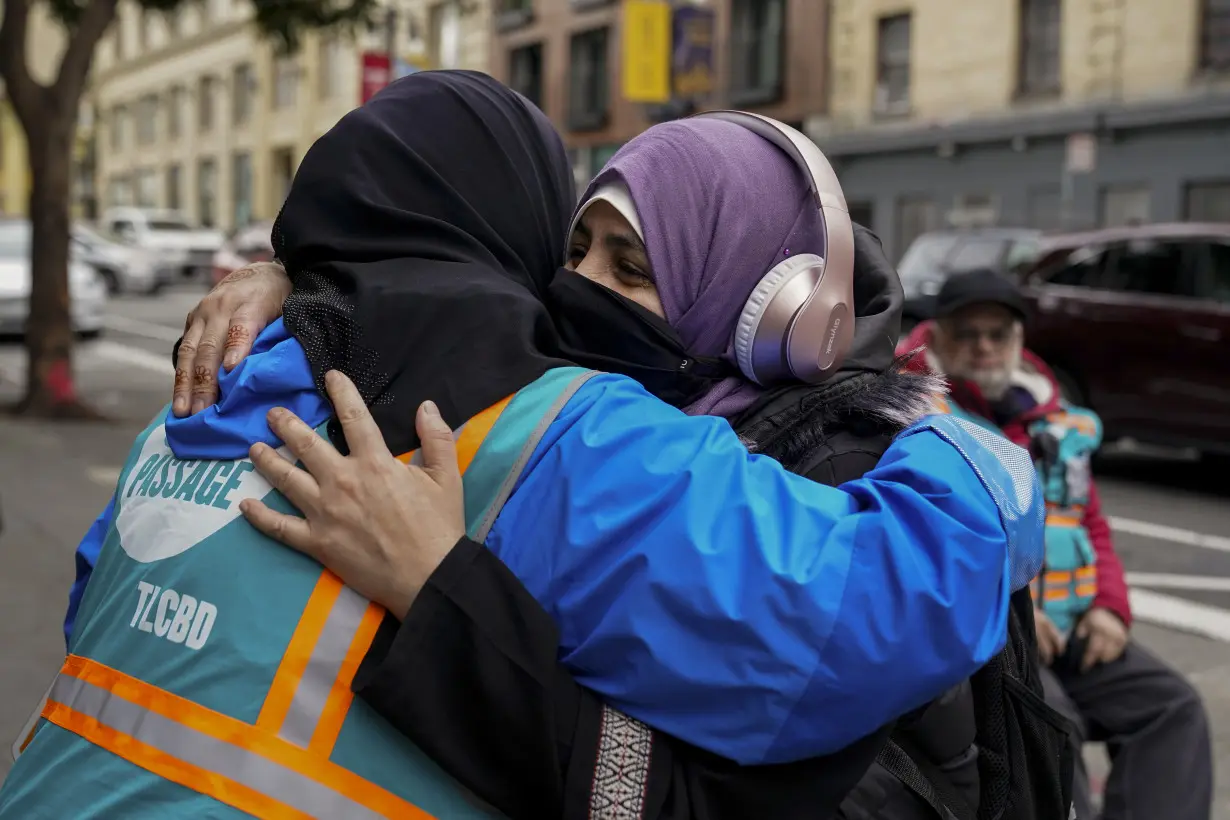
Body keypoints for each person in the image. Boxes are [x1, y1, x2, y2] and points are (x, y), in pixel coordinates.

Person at [17, 73, 1039, 820]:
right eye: (572, 248)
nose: (582, 286)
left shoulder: (221, 389)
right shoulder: (562, 422)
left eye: (631, 263)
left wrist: (447, 599)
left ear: (772, 314)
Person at [897, 268, 1213, 820]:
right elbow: (926, 542)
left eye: (998, 334)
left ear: (1019, 343)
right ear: (940, 336)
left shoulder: (1057, 418)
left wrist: (1111, 608)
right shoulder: (920, 416)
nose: (985, 347)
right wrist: (1018, 613)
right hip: (994, 638)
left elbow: (1089, 520)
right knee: (1053, 733)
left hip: (1073, 625)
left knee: (1172, 708)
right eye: (969, 333)